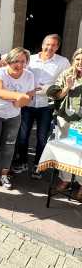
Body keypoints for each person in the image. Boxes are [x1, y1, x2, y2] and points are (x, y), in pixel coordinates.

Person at [15, 34, 70, 179]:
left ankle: (38, 166)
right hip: (28, 103)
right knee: (23, 135)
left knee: (41, 137)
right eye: (47, 44)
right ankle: (22, 161)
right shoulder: (30, 59)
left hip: (46, 105)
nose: (49, 48)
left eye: (53, 45)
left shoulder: (62, 62)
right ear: (42, 44)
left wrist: (55, 89)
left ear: (57, 47)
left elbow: (68, 78)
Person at [0, 47, 35, 190]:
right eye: (15, 61)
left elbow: (29, 96)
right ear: (9, 61)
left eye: (22, 61)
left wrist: (20, 101)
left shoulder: (29, 76)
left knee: (9, 145)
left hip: (13, 115)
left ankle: (4, 174)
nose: (19, 64)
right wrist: (18, 96)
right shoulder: (0, 72)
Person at [46, 48, 82, 200]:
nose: (80, 63)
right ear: (74, 60)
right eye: (78, 59)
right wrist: (67, 87)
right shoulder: (67, 73)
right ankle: (66, 179)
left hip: (81, 121)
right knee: (66, 150)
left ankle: (81, 183)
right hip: (65, 118)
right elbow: (55, 95)